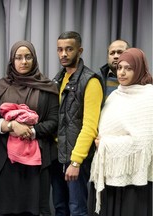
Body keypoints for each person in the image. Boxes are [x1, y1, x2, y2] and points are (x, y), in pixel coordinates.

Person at [0, 40, 59, 215]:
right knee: (6, 210)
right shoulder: (1, 87)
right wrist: (11, 126)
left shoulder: (47, 87)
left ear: (34, 59)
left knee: (32, 211)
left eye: (28, 57)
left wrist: (31, 131)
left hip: (35, 163)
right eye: (18, 57)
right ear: (12, 60)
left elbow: (53, 121)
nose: (23, 61)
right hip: (4, 161)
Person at [88, 48, 153, 216]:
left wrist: (105, 143)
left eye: (129, 68)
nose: (122, 73)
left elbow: (144, 142)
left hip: (133, 182)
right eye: (119, 68)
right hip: (109, 175)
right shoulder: (115, 95)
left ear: (139, 69)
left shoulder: (148, 97)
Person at [51, 31, 104, 216]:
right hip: (57, 155)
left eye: (69, 49)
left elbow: (90, 126)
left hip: (76, 158)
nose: (63, 54)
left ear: (79, 51)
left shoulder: (91, 81)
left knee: (77, 209)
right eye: (60, 49)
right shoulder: (57, 79)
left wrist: (76, 161)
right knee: (60, 207)